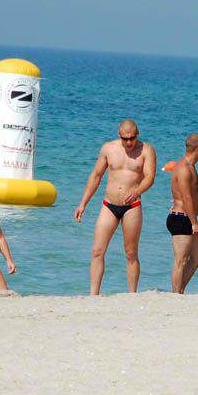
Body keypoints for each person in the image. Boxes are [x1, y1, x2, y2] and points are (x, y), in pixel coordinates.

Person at [74, 120, 157, 294]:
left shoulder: (147, 150)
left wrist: (137, 191)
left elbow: (150, 177)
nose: (129, 142)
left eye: (132, 138)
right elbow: (96, 176)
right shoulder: (108, 148)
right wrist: (83, 203)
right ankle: (93, 295)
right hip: (109, 205)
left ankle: (132, 294)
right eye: (126, 138)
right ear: (119, 135)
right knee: (97, 251)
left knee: (131, 253)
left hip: (132, 206)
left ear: (138, 134)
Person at [167, 133, 198, 293]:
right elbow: (187, 197)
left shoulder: (191, 166)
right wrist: (194, 223)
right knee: (181, 260)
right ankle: (176, 295)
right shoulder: (184, 168)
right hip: (182, 218)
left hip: (188, 217)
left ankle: (179, 289)